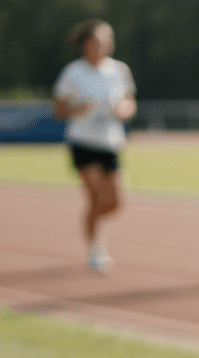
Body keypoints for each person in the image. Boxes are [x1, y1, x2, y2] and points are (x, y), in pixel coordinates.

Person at [52, 19, 136, 274]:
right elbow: (58, 109)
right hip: (83, 142)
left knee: (115, 202)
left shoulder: (119, 70)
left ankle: (90, 223)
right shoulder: (73, 73)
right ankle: (95, 248)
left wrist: (123, 110)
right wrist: (78, 108)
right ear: (85, 44)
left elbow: (130, 102)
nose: (103, 45)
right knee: (96, 195)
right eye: (98, 41)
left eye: (107, 40)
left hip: (110, 143)